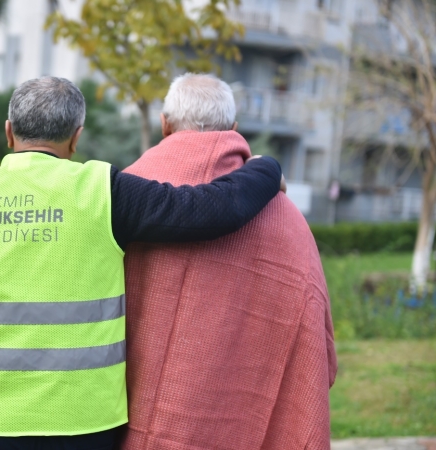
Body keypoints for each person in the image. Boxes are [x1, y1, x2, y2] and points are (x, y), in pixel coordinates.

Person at [0, 76, 284, 450]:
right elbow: (214, 209)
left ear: (8, 131)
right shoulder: (102, 191)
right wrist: (266, 168)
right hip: (79, 422)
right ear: (75, 136)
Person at [120, 74, 337, 450]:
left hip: (125, 424)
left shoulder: (124, 194)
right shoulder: (289, 221)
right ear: (234, 129)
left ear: (164, 123)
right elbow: (318, 350)